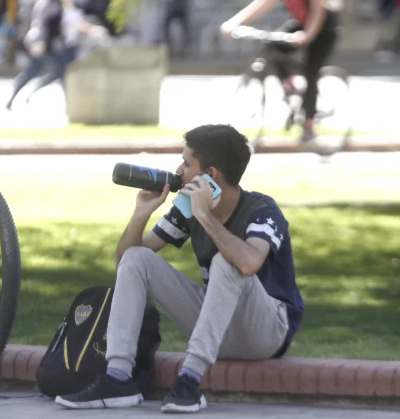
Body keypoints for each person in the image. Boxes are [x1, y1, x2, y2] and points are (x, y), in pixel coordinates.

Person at [54, 124, 305, 413]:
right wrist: (141, 214)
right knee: (137, 257)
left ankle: (188, 380)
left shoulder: (262, 210)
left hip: (265, 333)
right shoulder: (187, 209)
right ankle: (117, 378)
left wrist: (204, 217)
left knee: (228, 261)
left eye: (186, 163)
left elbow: (249, 262)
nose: (179, 169)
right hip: (216, 329)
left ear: (211, 175)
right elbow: (125, 262)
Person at [220, 0, 343, 143]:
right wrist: (233, 23)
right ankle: (290, 83)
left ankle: (309, 124)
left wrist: (306, 37)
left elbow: (316, 18)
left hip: (322, 31)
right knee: (271, 43)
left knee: (311, 72)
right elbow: (259, 6)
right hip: (301, 24)